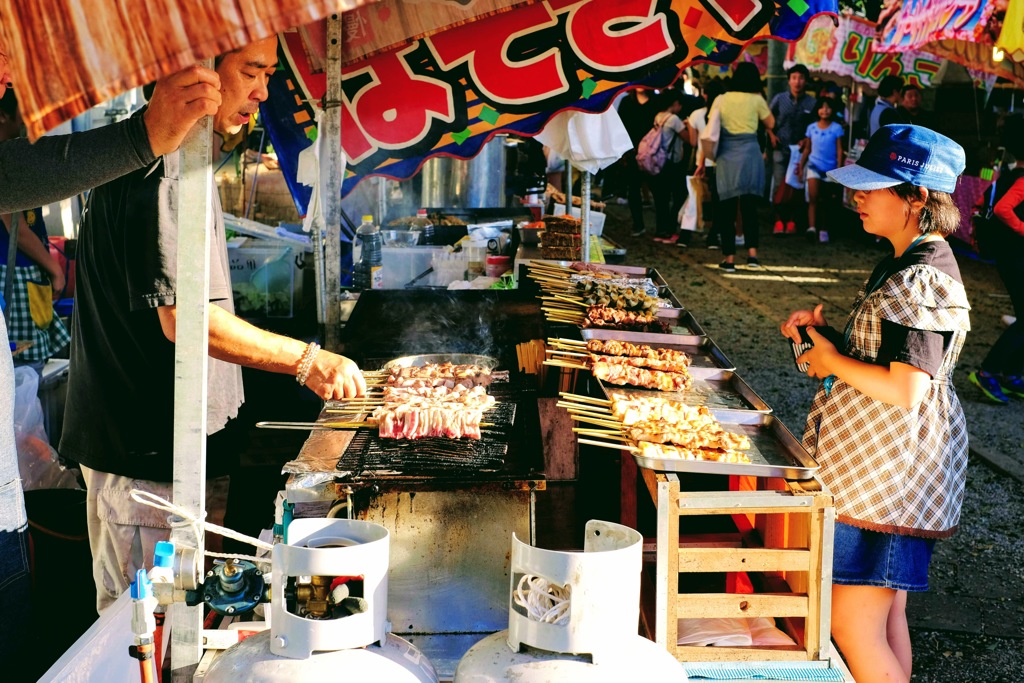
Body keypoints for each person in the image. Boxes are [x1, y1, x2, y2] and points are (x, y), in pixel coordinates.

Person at [59, 36, 367, 613]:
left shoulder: (172, 153)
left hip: (172, 456)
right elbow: (188, 321)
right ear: (197, 70)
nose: (262, 91)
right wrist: (308, 360)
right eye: (252, 71)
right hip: (147, 463)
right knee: (147, 639)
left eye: (269, 74)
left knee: (182, 633)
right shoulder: (163, 166)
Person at [0, 60, 222, 661]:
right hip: (127, 452)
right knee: (138, 643)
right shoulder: (155, 167)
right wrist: (142, 135)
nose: (8, 69)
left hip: (13, 501)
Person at [781, 124, 970, 683]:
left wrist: (834, 362)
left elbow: (907, 388)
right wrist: (825, 344)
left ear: (916, 197)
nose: (858, 197)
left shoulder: (923, 277)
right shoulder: (906, 261)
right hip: (882, 472)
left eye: (874, 186)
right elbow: (888, 362)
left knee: (852, 625)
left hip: (888, 481)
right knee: (885, 618)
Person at [0, 90, 71, 376]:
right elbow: (15, 225)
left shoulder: (17, 154)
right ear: (3, 116)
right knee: (21, 367)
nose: (27, 122)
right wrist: (55, 268)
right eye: (22, 114)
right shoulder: (5, 161)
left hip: (26, 274)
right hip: (14, 273)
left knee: (30, 370)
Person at [968, 117, 1024, 403]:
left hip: (1009, 255)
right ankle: (989, 371)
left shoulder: (1010, 175)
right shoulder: (1022, 178)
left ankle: (1012, 374)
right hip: (1015, 256)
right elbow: (1003, 209)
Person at [708, 62, 774, 272]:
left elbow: (712, 125)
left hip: (727, 155)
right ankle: (752, 255)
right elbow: (771, 123)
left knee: (726, 207)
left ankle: (729, 259)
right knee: (749, 207)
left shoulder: (721, 99)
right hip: (750, 156)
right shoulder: (757, 99)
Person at [768, 64, 816, 236]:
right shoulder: (779, 99)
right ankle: (779, 220)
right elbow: (767, 119)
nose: (798, 82)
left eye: (801, 78)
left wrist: (806, 140)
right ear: (789, 80)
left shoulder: (812, 102)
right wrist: (771, 135)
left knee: (797, 186)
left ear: (806, 81)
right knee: (779, 184)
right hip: (781, 149)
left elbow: (815, 126)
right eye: (794, 78)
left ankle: (793, 220)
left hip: (801, 152)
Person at [797, 96, 845, 244]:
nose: (825, 110)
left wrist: (839, 168)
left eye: (828, 107)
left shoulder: (837, 128)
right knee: (813, 197)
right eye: (822, 107)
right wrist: (800, 166)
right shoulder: (811, 128)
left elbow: (839, 150)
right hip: (813, 166)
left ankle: (824, 229)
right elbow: (807, 149)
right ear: (817, 110)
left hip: (830, 169)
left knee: (826, 201)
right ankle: (812, 228)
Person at [644, 90, 689, 243]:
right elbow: (688, 139)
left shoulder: (659, 116)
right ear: (675, 104)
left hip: (657, 160)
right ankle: (669, 228)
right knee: (680, 195)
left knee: (660, 198)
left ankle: (660, 230)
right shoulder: (674, 119)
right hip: (670, 163)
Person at [689, 79, 725, 249]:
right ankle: (715, 234)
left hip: (703, 161)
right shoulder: (724, 112)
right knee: (719, 200)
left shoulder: (697, 115)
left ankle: (690, 232)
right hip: (721, 161)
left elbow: (696, 141)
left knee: (699, 198)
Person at [616, 88, 656, 236]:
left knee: (657, 189)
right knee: (633, 189)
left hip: (653, 152)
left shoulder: (656, 102)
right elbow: (620, 127)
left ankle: (662, 227)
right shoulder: (627, 101)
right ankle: (638, 224)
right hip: (632, 151)